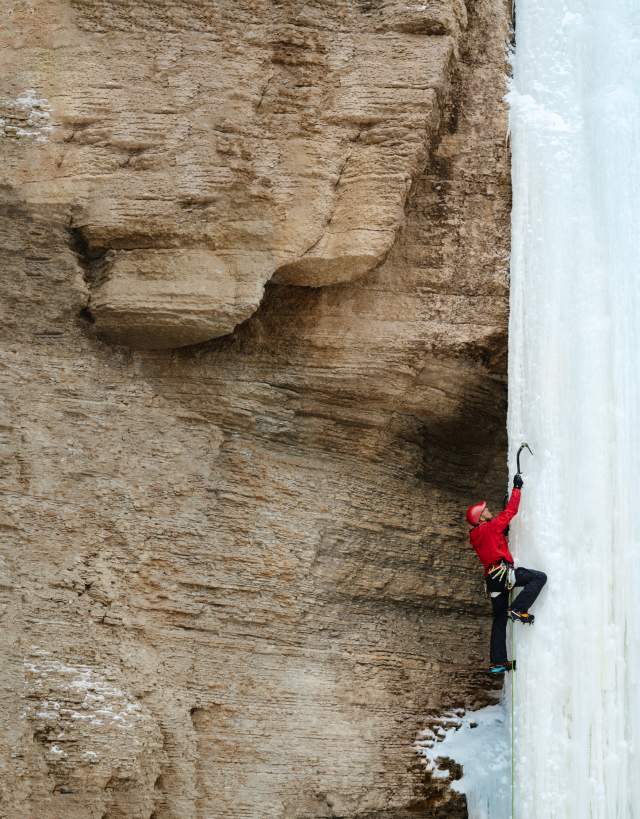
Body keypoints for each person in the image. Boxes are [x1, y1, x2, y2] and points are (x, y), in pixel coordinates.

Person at [466, 474, 547, 674]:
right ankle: (519, 608)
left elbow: (494, 542)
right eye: (485, 510)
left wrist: (502, 533)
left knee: (499, 618)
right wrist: (517, 488)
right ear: (480, 517)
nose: (488, 510)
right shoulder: (492, 527)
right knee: (539, 577)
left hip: (492, 580)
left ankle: (498, 662)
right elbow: (511, 511)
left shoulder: (477, 535)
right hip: (503, 574)